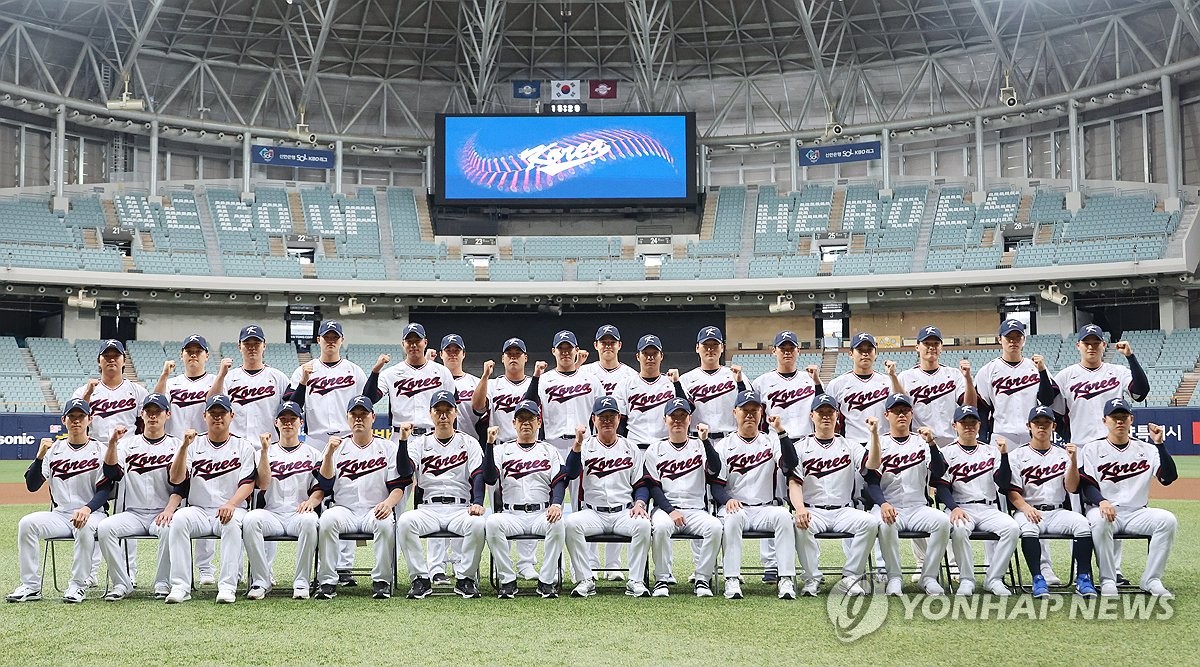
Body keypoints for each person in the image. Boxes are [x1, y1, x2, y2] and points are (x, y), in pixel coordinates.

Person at [288, 319, 378, 586]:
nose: (330, 340)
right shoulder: (304, 369)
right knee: (315, 503)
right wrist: (303, 383)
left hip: (345, 437)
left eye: (334, 337)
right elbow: (291, 407)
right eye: (326, 337)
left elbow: (368, 400)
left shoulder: (353, 370)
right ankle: (321, 566)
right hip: (315, 441)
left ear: (341, 340)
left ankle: (345, 567)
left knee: (344, 499)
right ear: (318, 340)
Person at [367, 322, 456, 586]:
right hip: (401, 439)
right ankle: (389, 568)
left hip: (433, 437)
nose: (414, 344)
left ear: (426, 343)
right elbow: (370, 397)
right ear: (403, 345)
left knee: (438, 500)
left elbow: (451, 408)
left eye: (418, 340)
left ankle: (436, 567)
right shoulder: (392, 373)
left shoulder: (441, 372)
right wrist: (375, 370)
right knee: (395, 503)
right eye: (409, 340)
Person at [6, 399, 112, 603]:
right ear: (64, 420)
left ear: (89, 420)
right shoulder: (54, 450)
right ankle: (31, 586)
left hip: (94, 514)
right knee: (27, 524)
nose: (76, 421)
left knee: (84, 526)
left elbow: (105, 489)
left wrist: (87, 509)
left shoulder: (100, 450)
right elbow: (32, 485)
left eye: (81, 416)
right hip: (60, 515)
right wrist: (38, 458)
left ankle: (78, 585)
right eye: (71, 416)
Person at [1079, 398, 1178, 598]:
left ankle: (1151, 579)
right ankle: (1108, 579)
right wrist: (1102, 501)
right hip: (1103, 510)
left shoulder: (1147, 449)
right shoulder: (1092, 449)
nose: (1119, 422)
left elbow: (1168, 477)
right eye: (1114, 417)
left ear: (1131, 419)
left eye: (1124, 417)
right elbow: (1086, 484)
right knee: (1099, 521)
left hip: (1137, 512)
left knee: (1167, 520)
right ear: (1104, 420)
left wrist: (1159, 444)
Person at [312, 396, 408, 601]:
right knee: (327, 520)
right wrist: (328, 455)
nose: (358, 419)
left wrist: (389, 504)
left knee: (384, 523)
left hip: (375, 508)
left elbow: (398, 487)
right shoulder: (337, 448)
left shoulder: (388, 448)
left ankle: (382, 580)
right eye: (354, 415)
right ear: (347, 418)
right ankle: (327, 581)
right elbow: (325, 484)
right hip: (344, 509)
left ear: (373, 417)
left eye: (363, 414)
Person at [164, 395, 257, 604]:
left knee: (231, 523)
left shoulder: (244, 446)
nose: (217, 418)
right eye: (212, 414)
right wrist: (183, 448)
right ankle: (180, 586)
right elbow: (176, 478)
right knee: (178, 520)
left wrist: (231, 504)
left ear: (231, 416)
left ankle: (227, 586)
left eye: (222, 413)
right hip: (198, 509)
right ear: (204, 416)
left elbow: (248, 483)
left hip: (232, 508)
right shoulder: (192, 445)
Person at [397, 389, 487, 599]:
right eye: (438, 411)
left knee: (478, 524)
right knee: (405, 522)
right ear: (431, 414)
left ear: (455, 413)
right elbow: (404, 470)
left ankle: (465, 578)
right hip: (429, 508)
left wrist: (478, 501)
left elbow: (479, 474)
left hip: (460, 507)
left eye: (448, 410)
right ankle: (420, 578)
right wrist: (402, 441)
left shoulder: (468, 442)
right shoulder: (419, 443)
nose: (443, 415)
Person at [709, 390, 797, 600]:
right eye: (744, 410)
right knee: (733, 518)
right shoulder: (724, 445)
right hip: (735, 508)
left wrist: (782, 433)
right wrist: (727, 499)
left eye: (754, 410)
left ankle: (785, 578)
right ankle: (732, 578)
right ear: (735, 413)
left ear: (761, 413)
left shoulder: (771, 440)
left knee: (784, 516)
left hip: (765, 507)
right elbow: (715, 485)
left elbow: (790, 464)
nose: (749, 415)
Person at [789, 394, 878, 597]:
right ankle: (812, 577)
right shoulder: (800, 447)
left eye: (830, 412)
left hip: (843, 510)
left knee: (870, 523)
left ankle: (850, 576)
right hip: (813, 510)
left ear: (837, 416)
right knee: (799, 524)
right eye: (821, 412)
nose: (826, 416)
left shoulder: (850, 445)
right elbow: (794, 482)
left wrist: (874, 435)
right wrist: (800, 508)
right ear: (812, 416)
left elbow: (872, 465)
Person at [1004, 405, 1098, 598]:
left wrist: (1072, 462)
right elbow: (1011, 491)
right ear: (1028, 426)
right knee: (1028, 529)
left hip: (1057, 511)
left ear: (1053, 426)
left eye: (1046, 423)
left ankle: (1083, 577)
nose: (1041, 427)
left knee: (1082, 524)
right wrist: (1025, 508)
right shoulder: (1017, 456)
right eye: (1037, 423)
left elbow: (1072, 488)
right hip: (1028, 510)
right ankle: (1038, 578)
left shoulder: (1063, 454)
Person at [563, 396, 653, 598]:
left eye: (611, 416)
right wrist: (577, 445)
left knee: (643, 525)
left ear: (619, 419)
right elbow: (570, 472)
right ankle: (585, 579)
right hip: (593, 513)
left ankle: (636, 580)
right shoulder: (585, 446)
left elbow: (640, 483)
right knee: (571, 524)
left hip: (623, 512)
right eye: (602, 416)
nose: (607, 421)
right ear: (593, 419)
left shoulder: (630, 448)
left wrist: (640, 503)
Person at [752, 329, 823, 580]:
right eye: (782, 347)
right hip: (775, 444)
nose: (787, 351)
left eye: (791, 347)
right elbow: (756, 416)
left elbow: (822, 406)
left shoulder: (808, 379)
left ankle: (810, 563)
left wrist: (817, 382)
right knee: (772, 501)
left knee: (807, 500)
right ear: (774, 351)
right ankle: (771, 563)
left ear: (798, 351)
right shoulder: (762, 381)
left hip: (804, 443)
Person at [863, 393, 950, 596]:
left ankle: (928, 577)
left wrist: (932, 444)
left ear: (911, 414)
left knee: (942, 522)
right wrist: (883, 504)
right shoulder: (878, 442)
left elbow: (938, 471)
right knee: (885, 523)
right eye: (896, 411)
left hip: (918, 506)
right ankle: (894, 577)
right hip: (889, 505)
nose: (901, 414)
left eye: (905, 411)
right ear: (887, 415)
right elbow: (871, 481)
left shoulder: (922, 442)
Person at [96, 393, 180, 601]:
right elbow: (111, 473)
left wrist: (170, 509)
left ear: (167, 415)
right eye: (148, 412)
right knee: (105, 528)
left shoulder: (176, 445)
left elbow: (182, 484)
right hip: (132, 513)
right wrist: (113, 444)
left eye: (157, 412)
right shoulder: (127, 444)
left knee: (171, 529)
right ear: (142, 415)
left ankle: (162, 582)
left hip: (162, 512)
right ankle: (121, 583)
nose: (153, 416)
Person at [483, 400, 567, 599]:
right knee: (493, 523)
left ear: (539, 422)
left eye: (530, 419)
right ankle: (507, 580)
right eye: (521, 419)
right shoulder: (501, 450)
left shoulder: (549, 450)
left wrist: (556, 504)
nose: (526, 423)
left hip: (541, 513)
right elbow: (489, 477)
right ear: (513, 423)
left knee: (558, 524)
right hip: (512, 514)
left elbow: (559, 481)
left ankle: (546, 581)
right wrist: (489, 444)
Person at [931, 405, 1018, 597]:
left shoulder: (991, 451)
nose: (969, 426)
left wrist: (1004, 456)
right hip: (959, 506)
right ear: (955, 425)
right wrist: (952, 508)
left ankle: (994, 578)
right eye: (964, 422)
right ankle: (966, 579)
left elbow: (1003, 483)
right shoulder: (947, 452)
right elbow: (941, 486)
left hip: (988, 507)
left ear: (979, 425)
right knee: (960, 529)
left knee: (1012, 528)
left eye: (973, 422)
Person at [242, 401, 323, 600]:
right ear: (275, 423)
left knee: (310, 521)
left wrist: (312, 502)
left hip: (299, 513)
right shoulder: (264, 453)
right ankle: (261, 581)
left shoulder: (313, 454)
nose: (288, 423)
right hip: (272, 513)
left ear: (300, 422)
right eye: (283, 419)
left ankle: (302, 582)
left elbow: (320, 488)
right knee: (250, 520)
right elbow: (262, 484)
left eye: (292, 419)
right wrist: (263, 452)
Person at [642, 397, 722, 598]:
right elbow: (653, 486)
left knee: (715, 527)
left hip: (696, 510)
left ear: (689, 420)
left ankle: (702, 578)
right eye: (673, 416)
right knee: (660, 527)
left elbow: (715, 469)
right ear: (665, 420)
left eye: (682, 416)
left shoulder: (699, 445)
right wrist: (670, 510)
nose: (677, 420)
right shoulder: (655, 449)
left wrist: (705, 441)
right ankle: (662, 578)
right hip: (665, 509)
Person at [156, 334, 219, 584]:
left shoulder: (214, 380)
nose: (193, 355)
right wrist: (163, 376)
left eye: (198, 351)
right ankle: (175, 572)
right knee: (176, 509)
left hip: (208, 448)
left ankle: (205, 567)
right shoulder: (172, 383)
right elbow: (157, 402)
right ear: (182, 355)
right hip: (176, 448)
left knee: (203, 503)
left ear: (206, 355)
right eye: (188, 351)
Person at [473, 337, 538, 579]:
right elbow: (477, 407)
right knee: (501, 509)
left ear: (525, 358)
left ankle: (526, 562)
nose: (513, 357)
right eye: (508, 353)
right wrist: (484, 377)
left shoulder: (535, 383)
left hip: (530, 448)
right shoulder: (494, 384)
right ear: (502, 358)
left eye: (517, 353)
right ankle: (504, 564)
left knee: (530, 501)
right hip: (500, 449)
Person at [581, 324, 640, 576]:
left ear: (619, 345)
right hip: (587, 441)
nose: (607, 345)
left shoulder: (629, 374)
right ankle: (591, 562)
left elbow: (623, 416)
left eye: (611, 341)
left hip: (619, 441)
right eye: (602, 341)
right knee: (587, 499)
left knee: (618, 495)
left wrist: (616, 446)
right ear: (596, 345)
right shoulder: (585, 372)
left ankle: (614, 564)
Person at [886, 326, 975, 447]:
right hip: (919, 441)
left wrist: (968, 379)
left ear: (941, 347)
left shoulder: (954, 374)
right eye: (926, 343)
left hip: (950, 440)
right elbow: (900, 405)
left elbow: (969, 406)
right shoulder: (905, 377)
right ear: (917, 347)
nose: (931, 347)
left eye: (936, 343)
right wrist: (893, 377)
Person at [208, 324, 291, 444]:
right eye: (247, 344)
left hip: (270, 445)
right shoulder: (228, 377)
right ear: (239, 347)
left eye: (256, 343)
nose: (252, 348)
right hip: (235, 446)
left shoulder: (279, 378)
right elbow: (210, 402)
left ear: (264, 346)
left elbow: (290, 411)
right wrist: (221, 375)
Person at [74, 339, 148, 443]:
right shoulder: (82, 392)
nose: (111, 359)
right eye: (106, 356)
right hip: (95, 448)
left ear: (124, 361)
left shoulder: (139, 392)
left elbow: (147, 423)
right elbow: (75, 421)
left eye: (116, 355)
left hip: (128, 448)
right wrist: (87, 395)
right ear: (99, 361)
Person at [825, 332, 891, 446]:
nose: (865, 354)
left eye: (869, 350)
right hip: (852, 444)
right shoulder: (836, 385)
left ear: (876, 354)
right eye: (860, 350)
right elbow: (830, 418)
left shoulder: (888, 382)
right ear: (851, 354)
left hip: (884, 442)